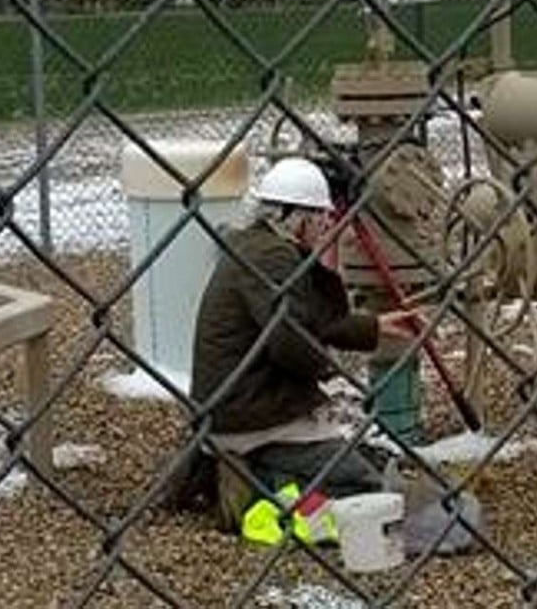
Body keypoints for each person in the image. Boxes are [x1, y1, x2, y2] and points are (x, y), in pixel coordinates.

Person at [167, 157, 416, 533]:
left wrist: (372, 327)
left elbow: (306, 321)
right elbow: (290, 342)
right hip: (256, 414)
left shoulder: (255, 245)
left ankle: (224, 465)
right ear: (297, 217)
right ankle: (257, 486)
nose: (326, 226)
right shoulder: (274, 257)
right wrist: (325, 364)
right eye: (320, 217)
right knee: (361, 484)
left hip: (236, 403)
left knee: (357, 456)